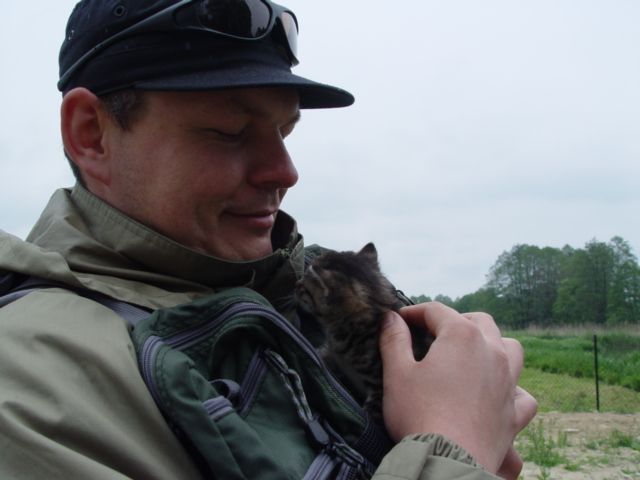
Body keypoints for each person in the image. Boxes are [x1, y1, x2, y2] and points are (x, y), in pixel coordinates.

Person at [0, 0, 537, 478]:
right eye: (229, 132)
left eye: (285, 131)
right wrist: (452, 446)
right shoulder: (28, 389)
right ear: (91, 134)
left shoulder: (300, 286)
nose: (285, 172)